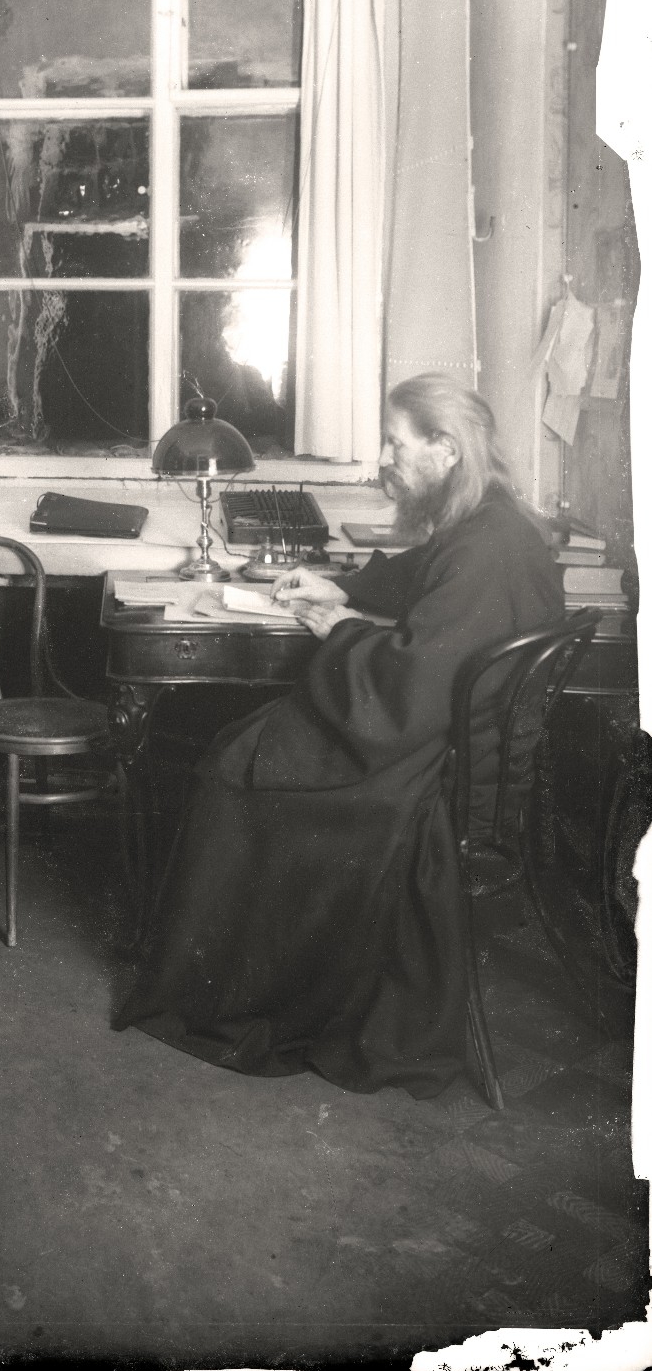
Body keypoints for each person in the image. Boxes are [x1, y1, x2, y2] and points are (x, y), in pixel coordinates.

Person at [115, 373, 565, 1098]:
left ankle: (233, 992)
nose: (384, 458)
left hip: (430, 771)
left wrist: (343, 630)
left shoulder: (488, 548)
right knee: (245, 745)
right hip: (440, 742)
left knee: (236, 769)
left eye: (395, 443)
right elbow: (426, 581)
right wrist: (344, 589)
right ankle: (218, 972)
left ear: (446, 449)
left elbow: (409, 689)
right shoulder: (490, 522)